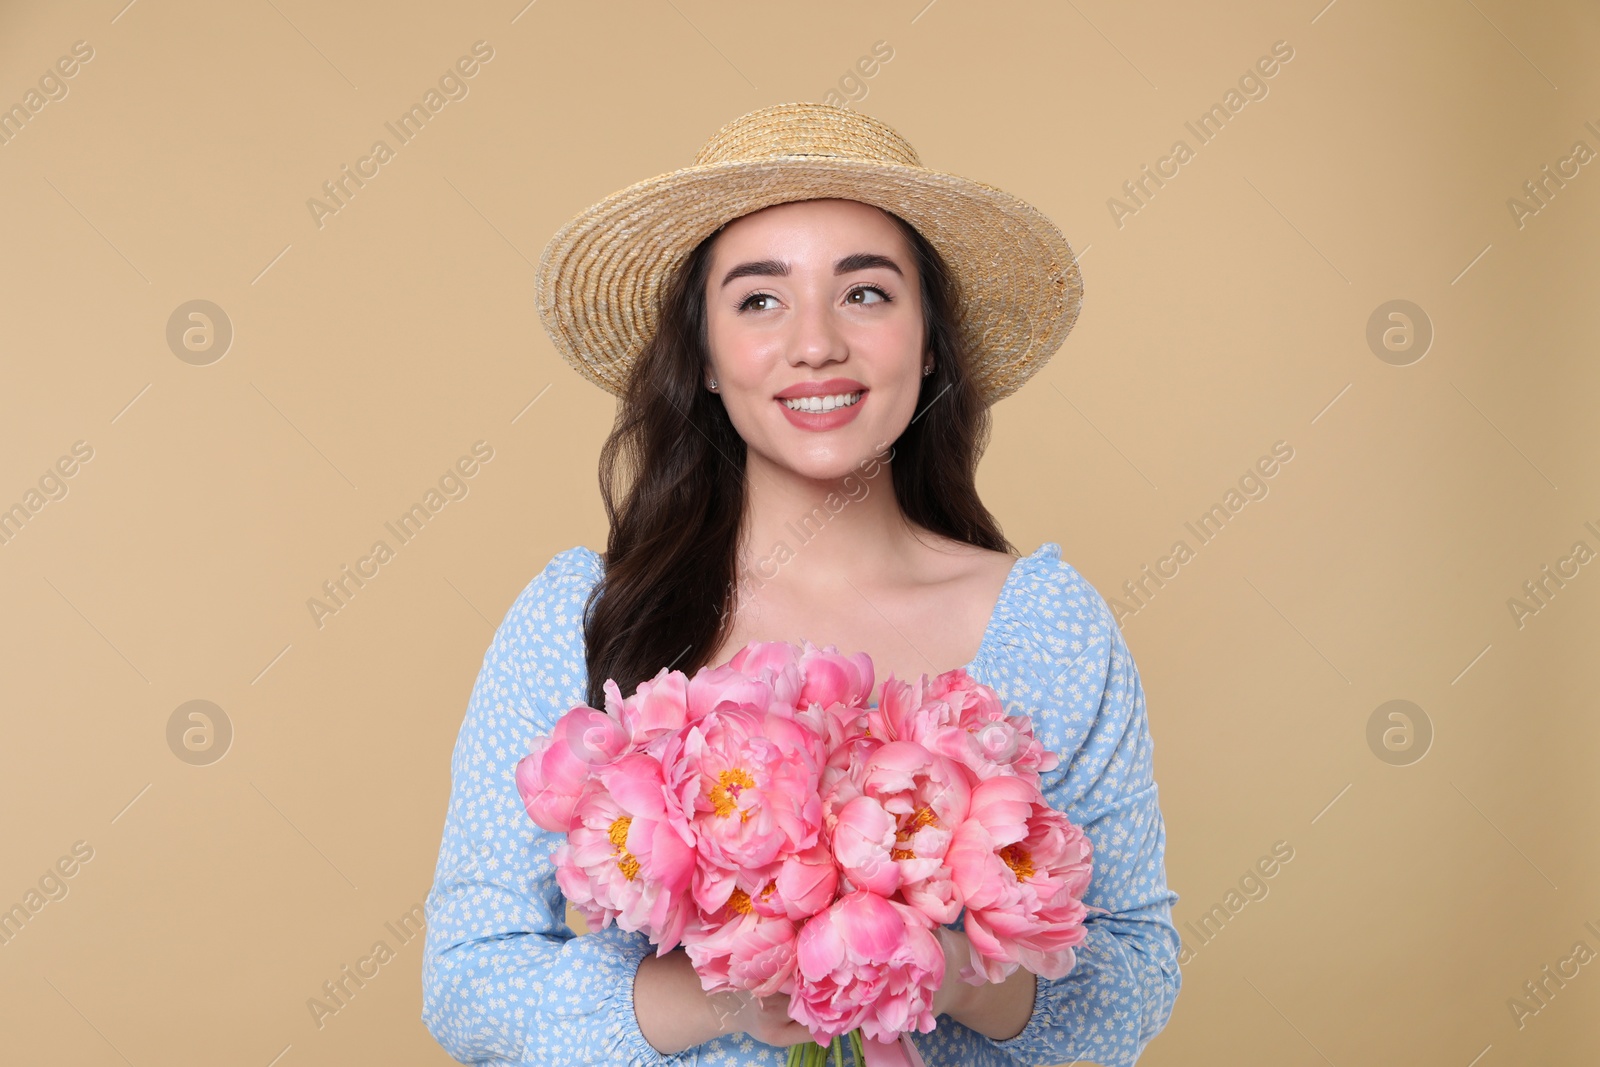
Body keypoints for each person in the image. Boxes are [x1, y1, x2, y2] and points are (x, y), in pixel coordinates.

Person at [422, 101, 1181, 1066]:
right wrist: (735, 987)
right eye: (760, 299)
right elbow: (468, 978)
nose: (816, 342)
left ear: (931, 342)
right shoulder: (584, 619)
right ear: (701, 355)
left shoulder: (1047, 624)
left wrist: (924, 964)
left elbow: (1134, 977)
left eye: (865, 293)